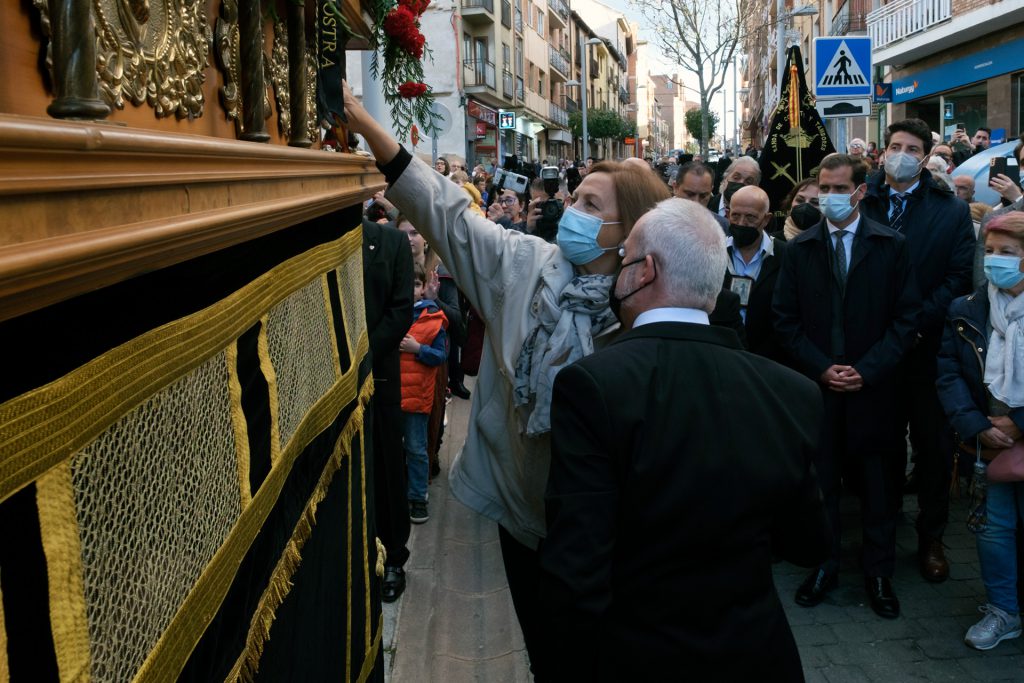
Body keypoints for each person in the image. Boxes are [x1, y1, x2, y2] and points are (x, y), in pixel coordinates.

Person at [341, 78, 671, 679]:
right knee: (546, 653)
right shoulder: (524, 265)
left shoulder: (646, 307)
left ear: (632, 233)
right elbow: (444, 212)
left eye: (593, 206)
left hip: (608, 533)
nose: (572, 213)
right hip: (524, 515)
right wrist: (365, 124)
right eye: (575, 199)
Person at [540, 197, 830, 681]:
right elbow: (807, 541)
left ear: (645, 271)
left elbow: (576, 563)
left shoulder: (593, 385)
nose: (618, 275)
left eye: (625, 260)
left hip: (640, 655)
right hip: (757, 653)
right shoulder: (792, 392)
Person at [773, 153, 921, 619]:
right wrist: (821, 368)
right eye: (825, 188)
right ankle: (825, 564)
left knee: (878, 485)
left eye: (841, 189)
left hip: (873, 390)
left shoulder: (890, 245)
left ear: (861, 191)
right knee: (822, 485)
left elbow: (906, 319)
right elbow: (785, 321)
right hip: (819, 390)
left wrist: (868, 369)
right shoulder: (801, 250)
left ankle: (879, 572)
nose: (831, 197)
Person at [859, 118, 975, 584]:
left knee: (932, 449)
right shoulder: (861, 201)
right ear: (882, 152)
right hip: (876, 353)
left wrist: (915, 321)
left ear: (926, 156)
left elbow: (958, 278)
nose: (900, 154)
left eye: (911, 148)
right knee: (881, 449)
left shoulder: (948, 210)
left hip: (928, 350)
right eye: (893, 146)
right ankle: (881, 536)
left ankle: (932, 538)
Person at [937, 212, 1024, 651]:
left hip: (1019, 433)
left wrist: (1020, 422)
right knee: (992, 528)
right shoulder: (966, 309)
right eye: (989, 251)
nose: (995, 261)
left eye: (1007, 253)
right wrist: (975, 424)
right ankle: (1003, 610)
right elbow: (948, 372)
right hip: (985, 440)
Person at [361, 217, 414, 603]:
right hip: (327, 378)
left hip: (376, 374)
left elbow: (399, 312)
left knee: (386, 465)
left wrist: (359, 359)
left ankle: (393, 556)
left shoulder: (390, 242)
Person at [399, 263, 449, 524]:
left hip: (417, 395)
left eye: (416, 284)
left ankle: (418, 497)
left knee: (417, 449)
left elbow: (440, 355)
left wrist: (418, 348)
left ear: (422, 289)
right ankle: (397, 495)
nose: (411, 289)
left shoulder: (433, 318)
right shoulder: (393, 312)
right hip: (393, 394)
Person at [724, 185, 788, 361]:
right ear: (728, 214)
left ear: (766, 219)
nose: (741, 223)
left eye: (750, 217)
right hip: (722, 355)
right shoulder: (713, 253)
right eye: (735, 215)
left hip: (769, 359)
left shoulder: (785, 256)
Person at [673, 161, 728, 231]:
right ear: (675, 188)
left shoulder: (722, 226)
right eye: (690, 194)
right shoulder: (657, 220)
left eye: (703, 196)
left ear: (711, 190)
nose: (696, 202)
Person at [774, 177, 822, 242]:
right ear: (790, 203)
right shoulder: (771, 242)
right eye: (800, 200)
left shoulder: (831, 243)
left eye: (815, 202)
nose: (806, 206)